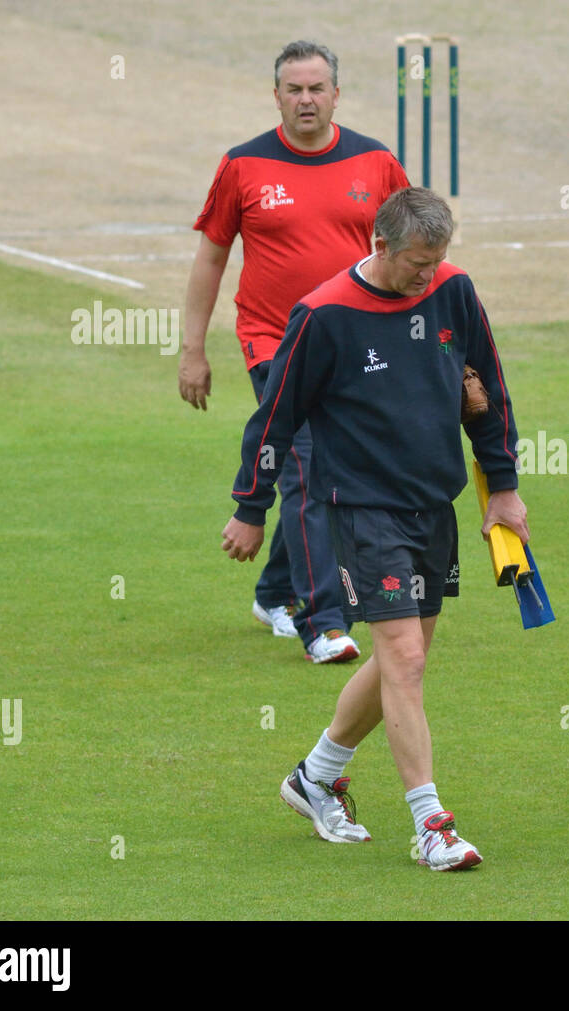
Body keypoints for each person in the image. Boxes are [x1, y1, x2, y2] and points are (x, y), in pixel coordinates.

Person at [220, 187, 527, 870]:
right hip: (361, 507)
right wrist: (251, 504)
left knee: (404, 656)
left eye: (438, 259)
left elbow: (488, 389)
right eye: (418, 262)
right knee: (406, 658)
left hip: (432, 505)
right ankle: (432, 825)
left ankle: (316, 774)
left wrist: (502, 487)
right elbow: (274, 416)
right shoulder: (326, 314)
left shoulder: (452, 290)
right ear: (380, 246)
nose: (428, 275)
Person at [180, 40, 410, 663]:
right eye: (293, 89)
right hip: (272, 341)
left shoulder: (376, 162)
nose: (305, 99)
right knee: (306, 466)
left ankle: (275, 589)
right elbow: (212, 256)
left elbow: (409, 255)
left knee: (335, 473)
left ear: (336, 94)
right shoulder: (243, 166)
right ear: (275, 95)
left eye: (316, 88)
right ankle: (323, 622)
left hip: (355, 345)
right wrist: (191, 350)